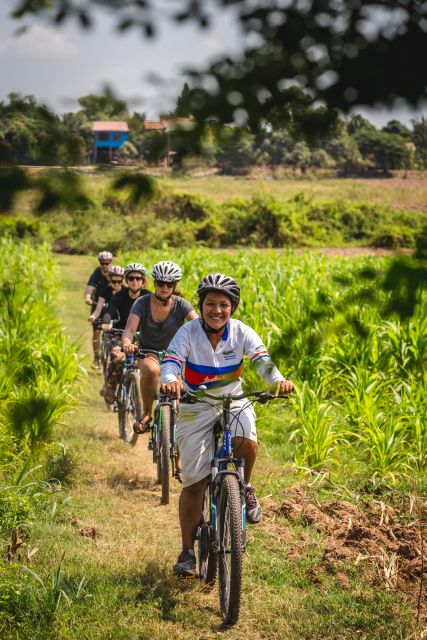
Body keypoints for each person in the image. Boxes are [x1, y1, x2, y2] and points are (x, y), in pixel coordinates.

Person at [160, 273, 294, 577]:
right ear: (202, 305)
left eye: (223, 305)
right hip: (195, 404)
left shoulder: (242, 332)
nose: (216, 310)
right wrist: (170, 380)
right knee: (194, 482)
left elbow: (262, 361)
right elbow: (171, 361)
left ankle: (245, 487)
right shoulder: (188, 332)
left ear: (232, 308)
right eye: (210, 304)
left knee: (248, 439)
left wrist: (277, 382)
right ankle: (186, 552)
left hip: (233, 398)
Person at [122, 260, 197, 434]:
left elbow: (200, 326)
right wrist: (127, 343)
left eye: (169, 284)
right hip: (149, 352)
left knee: (179, 398)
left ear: (174, 285)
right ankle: (147, 413)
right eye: (161, 283)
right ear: (154, 282)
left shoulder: (181, 304)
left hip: (176, 355)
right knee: (151, 370)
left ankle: (178, 452)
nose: (165, 287)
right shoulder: (142, 303)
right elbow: (129, 330)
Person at [101, 262, 151, 403]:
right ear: (126, 280)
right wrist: (106, 322)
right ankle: (111, 385)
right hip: (121, 333)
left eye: (138, 278)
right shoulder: (119, 296)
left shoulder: (149, 297)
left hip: (144, 336)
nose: (135, 281)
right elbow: (109, 311)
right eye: (131, 278)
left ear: (143, 281)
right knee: (117, 355)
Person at [85, 250, 114, 368]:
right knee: (96, 332)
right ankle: (96, 358)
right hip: (98, 305)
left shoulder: (115, 273)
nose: (105, 266)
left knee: (114, 333)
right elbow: (90, 287)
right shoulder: (97, 273)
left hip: (113, 306)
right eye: (102, 263)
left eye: (107, 263)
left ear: (111, 262)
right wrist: (88, 297)